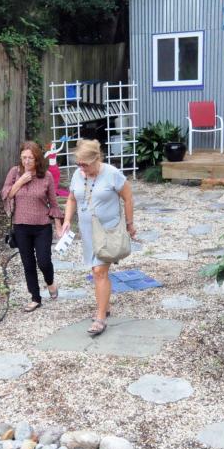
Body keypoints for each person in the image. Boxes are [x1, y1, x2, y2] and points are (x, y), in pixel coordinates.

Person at [60, 139, 135, 337]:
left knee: (99, 270)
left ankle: (100, 317)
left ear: (96, 159)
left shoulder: (112, 174)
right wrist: (67, 220)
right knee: (96, 271)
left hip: (107, 231)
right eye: (79, 164)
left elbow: (127, 197)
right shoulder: (78, 174)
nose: (81, 168)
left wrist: (129, 224)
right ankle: (105, 305)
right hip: (87, 231)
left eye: (85, 164)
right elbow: (71, 198)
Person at [1, 141, 64, 311]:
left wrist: (58, 227)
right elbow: (6, 195)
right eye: (24, 158)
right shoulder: (15, 173)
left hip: (42, 226)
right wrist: (20, 181)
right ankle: (35, 297)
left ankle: (50, 282)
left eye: (31, 158)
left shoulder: (47, 176)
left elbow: (53, 203)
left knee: (44, 261)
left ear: (37, 159)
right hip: (21, 226)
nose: (27, 161)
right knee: (28, 263)